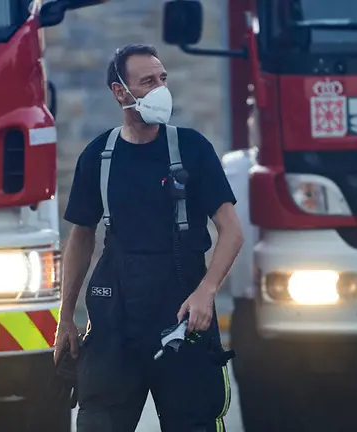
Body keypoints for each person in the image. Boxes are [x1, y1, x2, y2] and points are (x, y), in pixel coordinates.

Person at [53, 44, 244, 432]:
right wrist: (66, 316)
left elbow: (231, 231)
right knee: (98, 422)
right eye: (147, 82)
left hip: (181, 318)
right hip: (114, 322)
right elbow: (81, 238)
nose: (160, 89)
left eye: (163, 79)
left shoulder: (191, 149)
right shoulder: (98, 155)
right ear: (120, 91)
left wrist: (207, 290)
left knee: (194, 422)